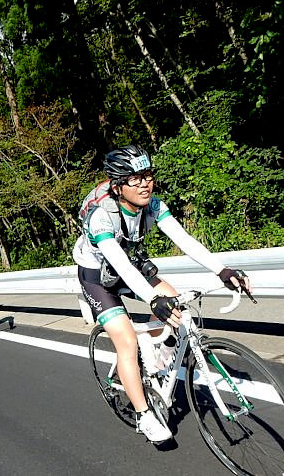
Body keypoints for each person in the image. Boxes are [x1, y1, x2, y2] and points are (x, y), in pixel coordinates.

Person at [73, 145, 251, 443]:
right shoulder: (100, 217)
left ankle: (158, 359)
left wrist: (222, 270)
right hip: (97, 277)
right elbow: (116, 262)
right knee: (127, 340)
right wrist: (154, 300)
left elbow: (184, 239)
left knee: (180, 308)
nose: (144, 183)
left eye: (147, 175)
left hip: (129, 264)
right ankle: (144, 415)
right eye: (134, 178)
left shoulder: (153, 205)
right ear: (117, 186)